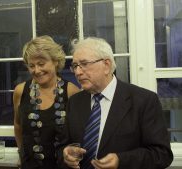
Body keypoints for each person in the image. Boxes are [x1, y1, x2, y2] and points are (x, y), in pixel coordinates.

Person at [57, 37, 173, 169]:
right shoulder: (75, 102)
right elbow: (62, 147)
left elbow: (162, 155)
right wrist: (66, 154)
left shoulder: (144, 100)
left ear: (106, 65)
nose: (77, 72)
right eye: (75, 66)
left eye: (84, 64)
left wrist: (121, 160)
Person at [13, 35, 80, 169]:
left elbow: (78, 135)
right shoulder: (20, 91)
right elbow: (18, 125)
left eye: (41, 64)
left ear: (55, 61)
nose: (36, 70)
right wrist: (22, 154)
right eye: (31, 65)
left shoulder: (71, 91)